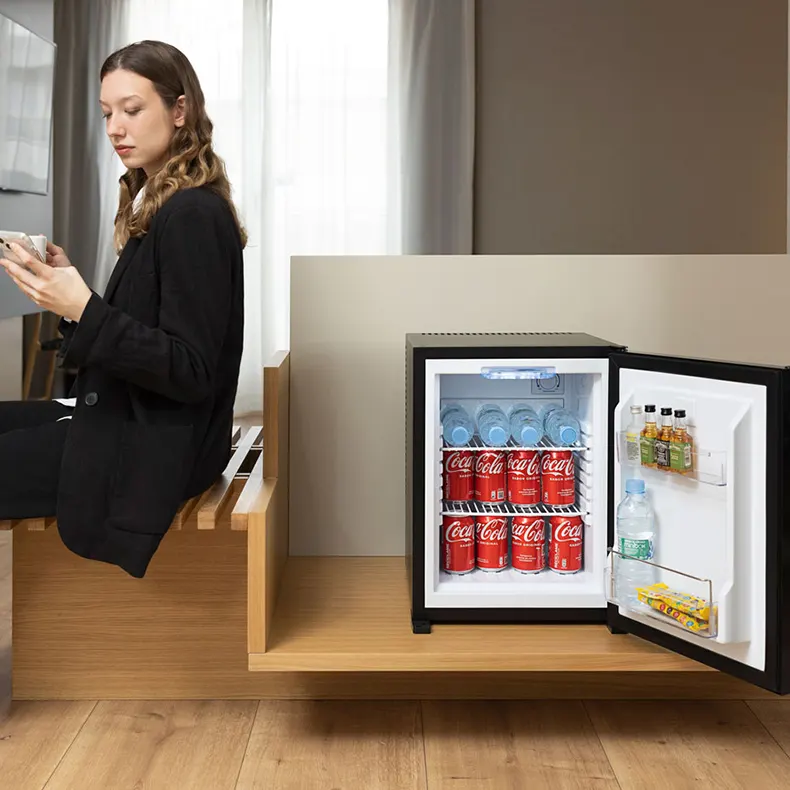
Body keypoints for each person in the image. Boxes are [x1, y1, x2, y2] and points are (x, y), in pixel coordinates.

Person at [0, 41, 245, 578]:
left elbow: (190, 369)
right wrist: (74, 303)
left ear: (180, 111)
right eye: (108, 113)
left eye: (132, 110)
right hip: (134, 415)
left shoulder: (191, 216)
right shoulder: (164, 204)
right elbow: (144, 332)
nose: (115, 128)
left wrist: (85, 308)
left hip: (155, 446)